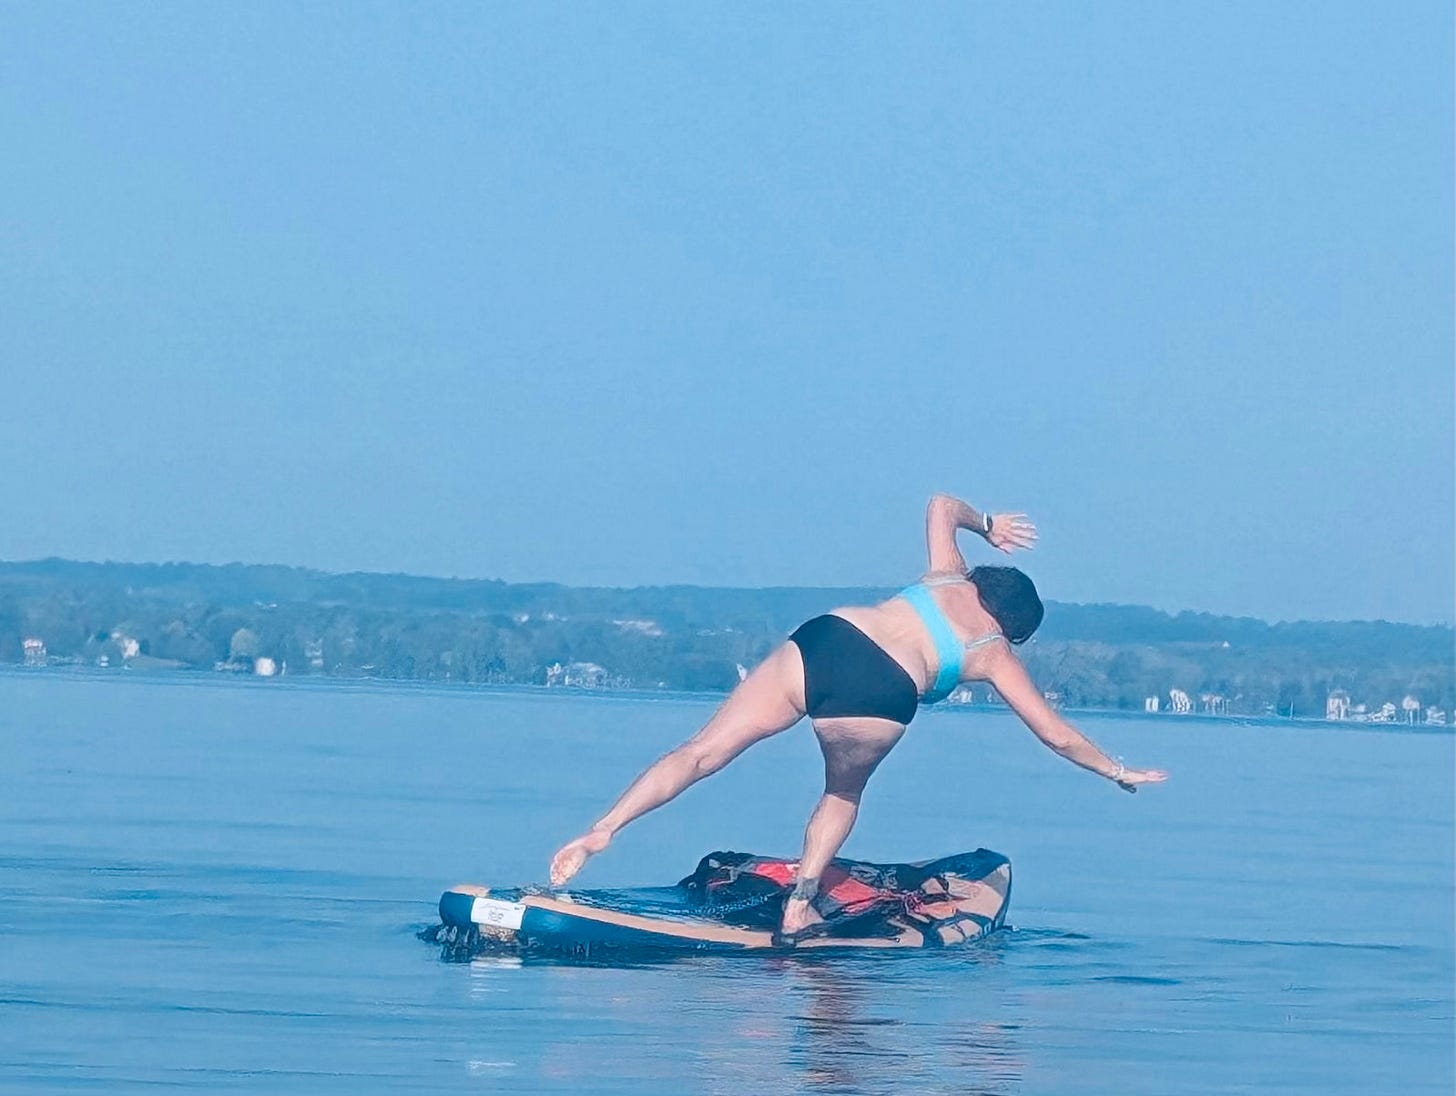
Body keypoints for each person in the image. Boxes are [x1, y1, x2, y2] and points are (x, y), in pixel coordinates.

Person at [549, 493, 1168, 943]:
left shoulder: (947, 575)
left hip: (829, 637)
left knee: (701, 752)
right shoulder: (994, 652)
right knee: (841, 792)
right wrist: (1117, 770)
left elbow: (939, 505)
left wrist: (986, 525)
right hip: (881, 687)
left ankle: (603, 829)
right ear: (1013, 626)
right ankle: (801, 902)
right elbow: (1054, 733)